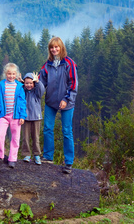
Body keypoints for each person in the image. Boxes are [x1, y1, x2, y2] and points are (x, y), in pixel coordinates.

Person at [39, 36, 78, 174]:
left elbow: (73, 84)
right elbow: (40, 82)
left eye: (56, 47)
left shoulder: (69, 63)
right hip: (51, 101)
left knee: (67, 131)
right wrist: (26, 83)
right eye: (51, 47)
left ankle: (68, 162)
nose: (54, 49)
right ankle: (48, 157)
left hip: (66, 103)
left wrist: (66, 99)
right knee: (47, 128)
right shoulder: (47, 64)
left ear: (61, 48)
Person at [0, 63, 27, 168]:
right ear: (5, 74)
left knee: (15, 138)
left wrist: (22, 116)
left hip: (16, 116)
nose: (11, 76)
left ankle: (12, 158)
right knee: (0, 135)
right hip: (3, 116)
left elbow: (22, 102)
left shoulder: (19, 87)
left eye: (13, 74)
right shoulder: (1, 86)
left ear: (17, 74)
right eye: (9, 73)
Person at [20, 72, 45, 165]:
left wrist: (38, 81)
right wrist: (20, 83)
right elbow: (18, 90)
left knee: (36, 137)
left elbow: (42, 90)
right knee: (25, 137)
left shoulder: (36, 92)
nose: (29, 85)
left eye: (31, 83)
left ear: (33, 83)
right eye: (26, 83)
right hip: (25, 118)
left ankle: (37, 154)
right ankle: (26, 154)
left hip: (36, 117)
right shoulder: (23, 91)